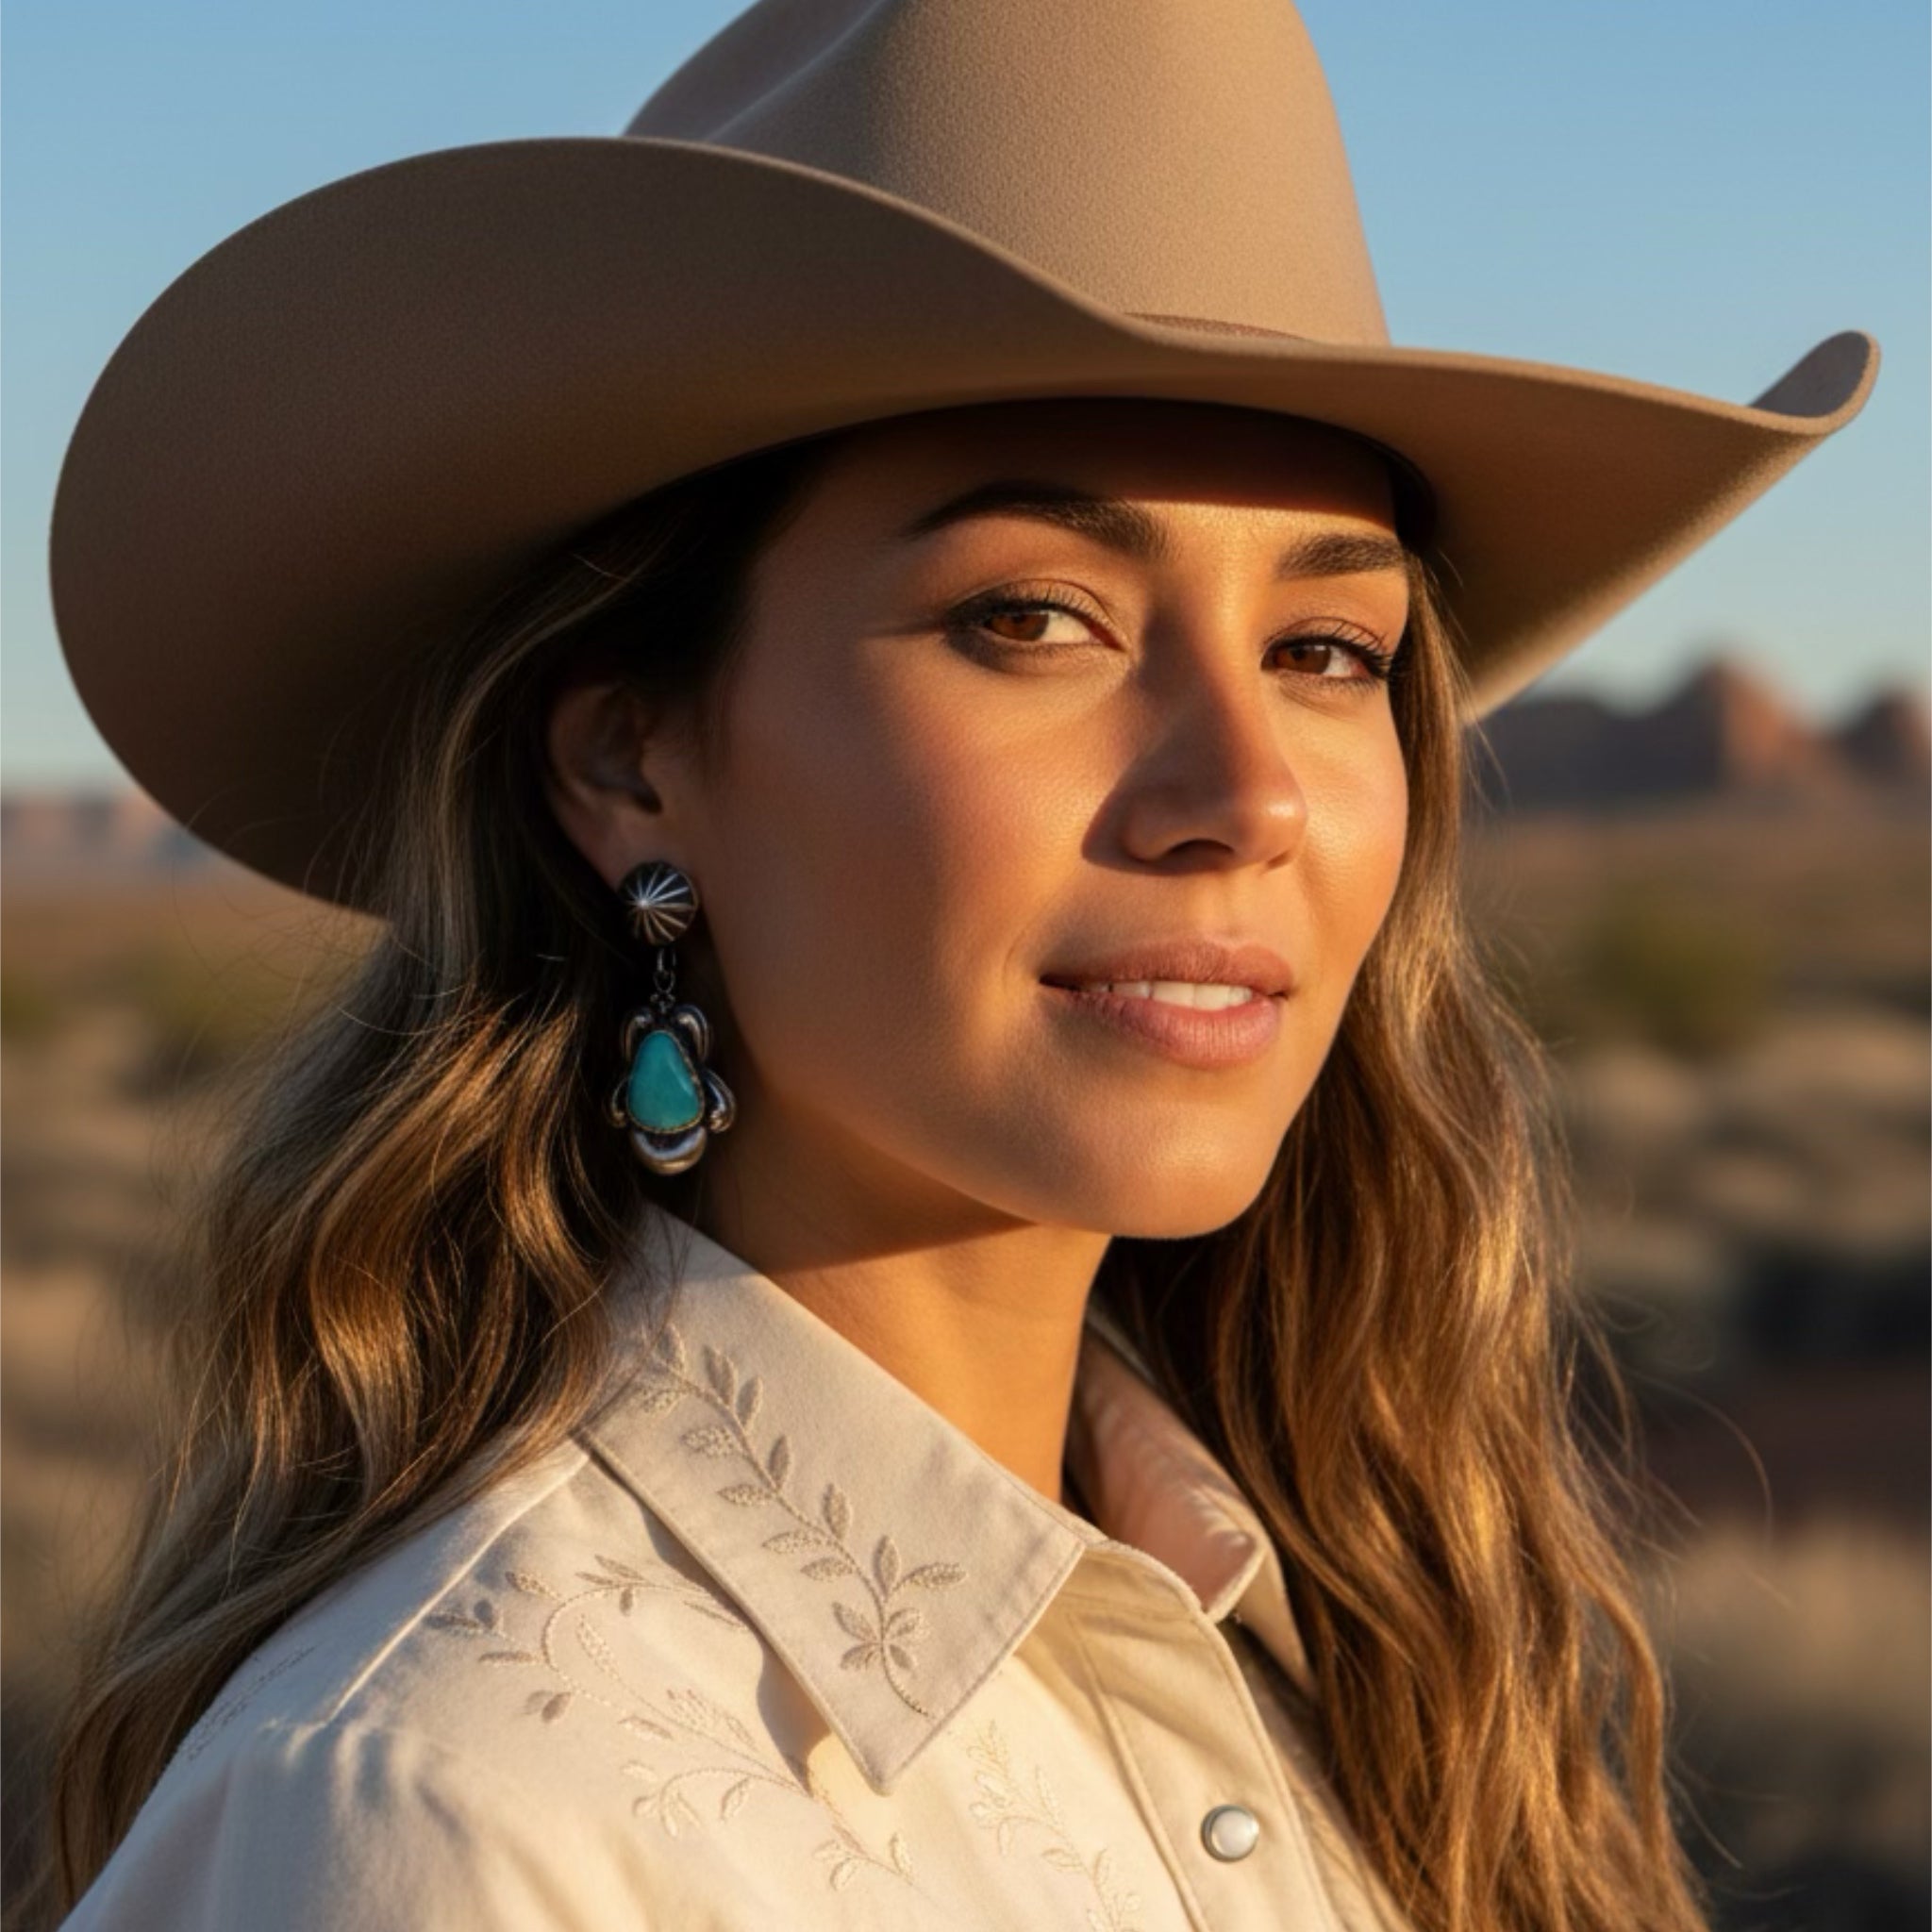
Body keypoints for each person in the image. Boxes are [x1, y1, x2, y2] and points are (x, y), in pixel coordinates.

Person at [37, 3, 1876, 1929]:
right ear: (624, 758)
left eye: (1326, 652)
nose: (1243, 792)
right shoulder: (446, 1824)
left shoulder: (1339, 1645)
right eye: (1034, 616)